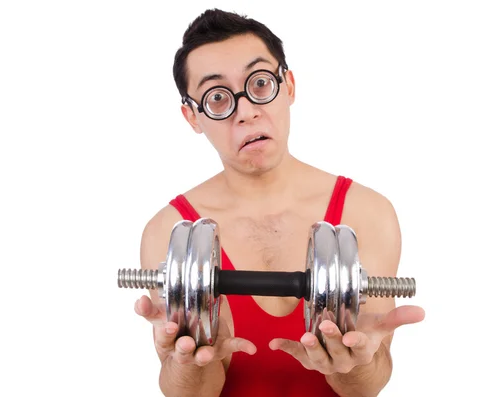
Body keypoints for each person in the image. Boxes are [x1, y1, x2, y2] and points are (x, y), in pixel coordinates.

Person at [134, 8, 425, 397]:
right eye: (217, 98)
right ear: (193, 116)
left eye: (259, 84)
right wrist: (186, 362)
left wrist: (358, 363)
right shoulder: (168, 232)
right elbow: (194, 392)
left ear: (288, 85)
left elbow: (364, 386)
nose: (247, 112)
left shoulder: (366, 213)